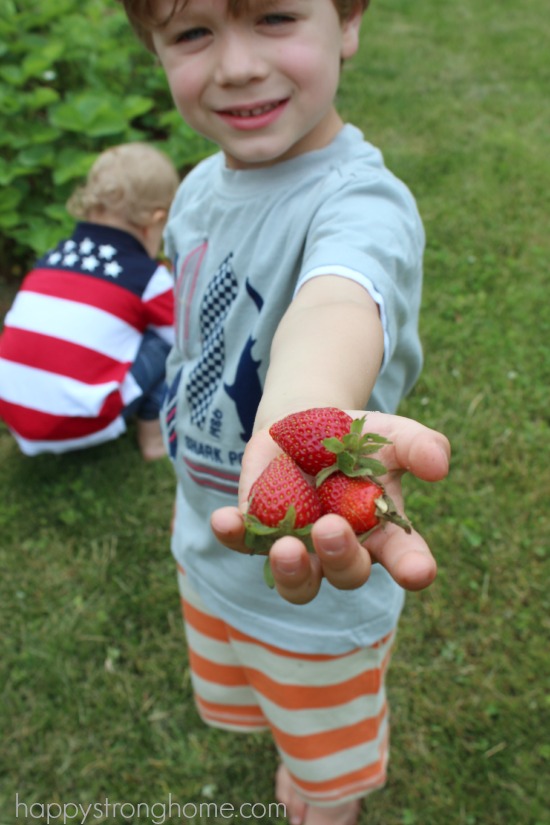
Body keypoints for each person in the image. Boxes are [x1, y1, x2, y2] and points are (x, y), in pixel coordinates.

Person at [117, 2, 451, 823]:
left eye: (272, 16)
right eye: (192, 33)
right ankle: (294, 755)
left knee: (322, 742)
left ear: (347, 22)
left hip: (315, 579)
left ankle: (326, 797)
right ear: (154, 47)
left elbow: (336, 304)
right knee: (257, 693)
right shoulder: (197, 188)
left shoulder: (359, 203)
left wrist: (299, 413)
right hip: (209, 538)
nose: (235, 66)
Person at [0, 142, 180, 460]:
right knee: (170, 343)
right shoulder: (147, 277)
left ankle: (42, 408)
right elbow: (186, 339)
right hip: (82, 422)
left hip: (11, 407)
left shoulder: (53, 256)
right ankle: (152, 439)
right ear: (156, 220)